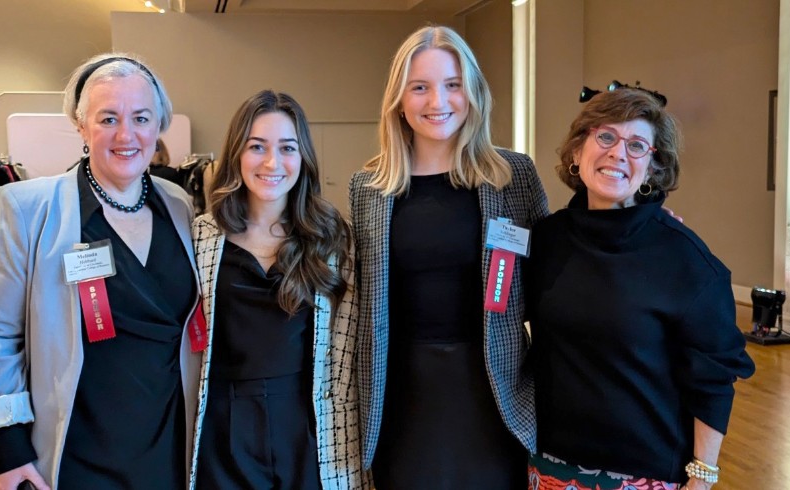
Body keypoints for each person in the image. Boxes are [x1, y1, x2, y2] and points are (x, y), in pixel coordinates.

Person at [0, 53, 200, 490]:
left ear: (159, 126)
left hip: (168, 441)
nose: (126, 135)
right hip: (79, 447)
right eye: (108, 118)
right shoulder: (26, 209)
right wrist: (5, 447)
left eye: (141, 118)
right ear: (81, 125)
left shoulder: (179, 206)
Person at [523, 88, 756, 490]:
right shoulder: (544, 240)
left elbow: (713, 380)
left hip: (643, 473)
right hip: (548, 463)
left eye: (636, 145)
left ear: (650, 169)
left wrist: (703, 475)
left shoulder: (686, 261)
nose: (618, 153)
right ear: (577, 153)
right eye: (606, 137)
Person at [349, 25, 548, 488]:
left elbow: (556, 269)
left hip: (493, 391)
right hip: (402, 394)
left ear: (473, 92)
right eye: (420, 87)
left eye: (453, 85)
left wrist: (627, 225)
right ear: (399, 99)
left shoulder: (513, 176)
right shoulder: (370, 188)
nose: (438, 102)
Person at [187, 90, 367, 489]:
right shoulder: (201, 236)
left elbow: (347, 343)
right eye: (257, 147)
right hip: (223, 426)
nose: (272, 162)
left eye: (287, 148)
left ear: (303, 157)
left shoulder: (333, 239)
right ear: (236, 154)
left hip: (307, 422)